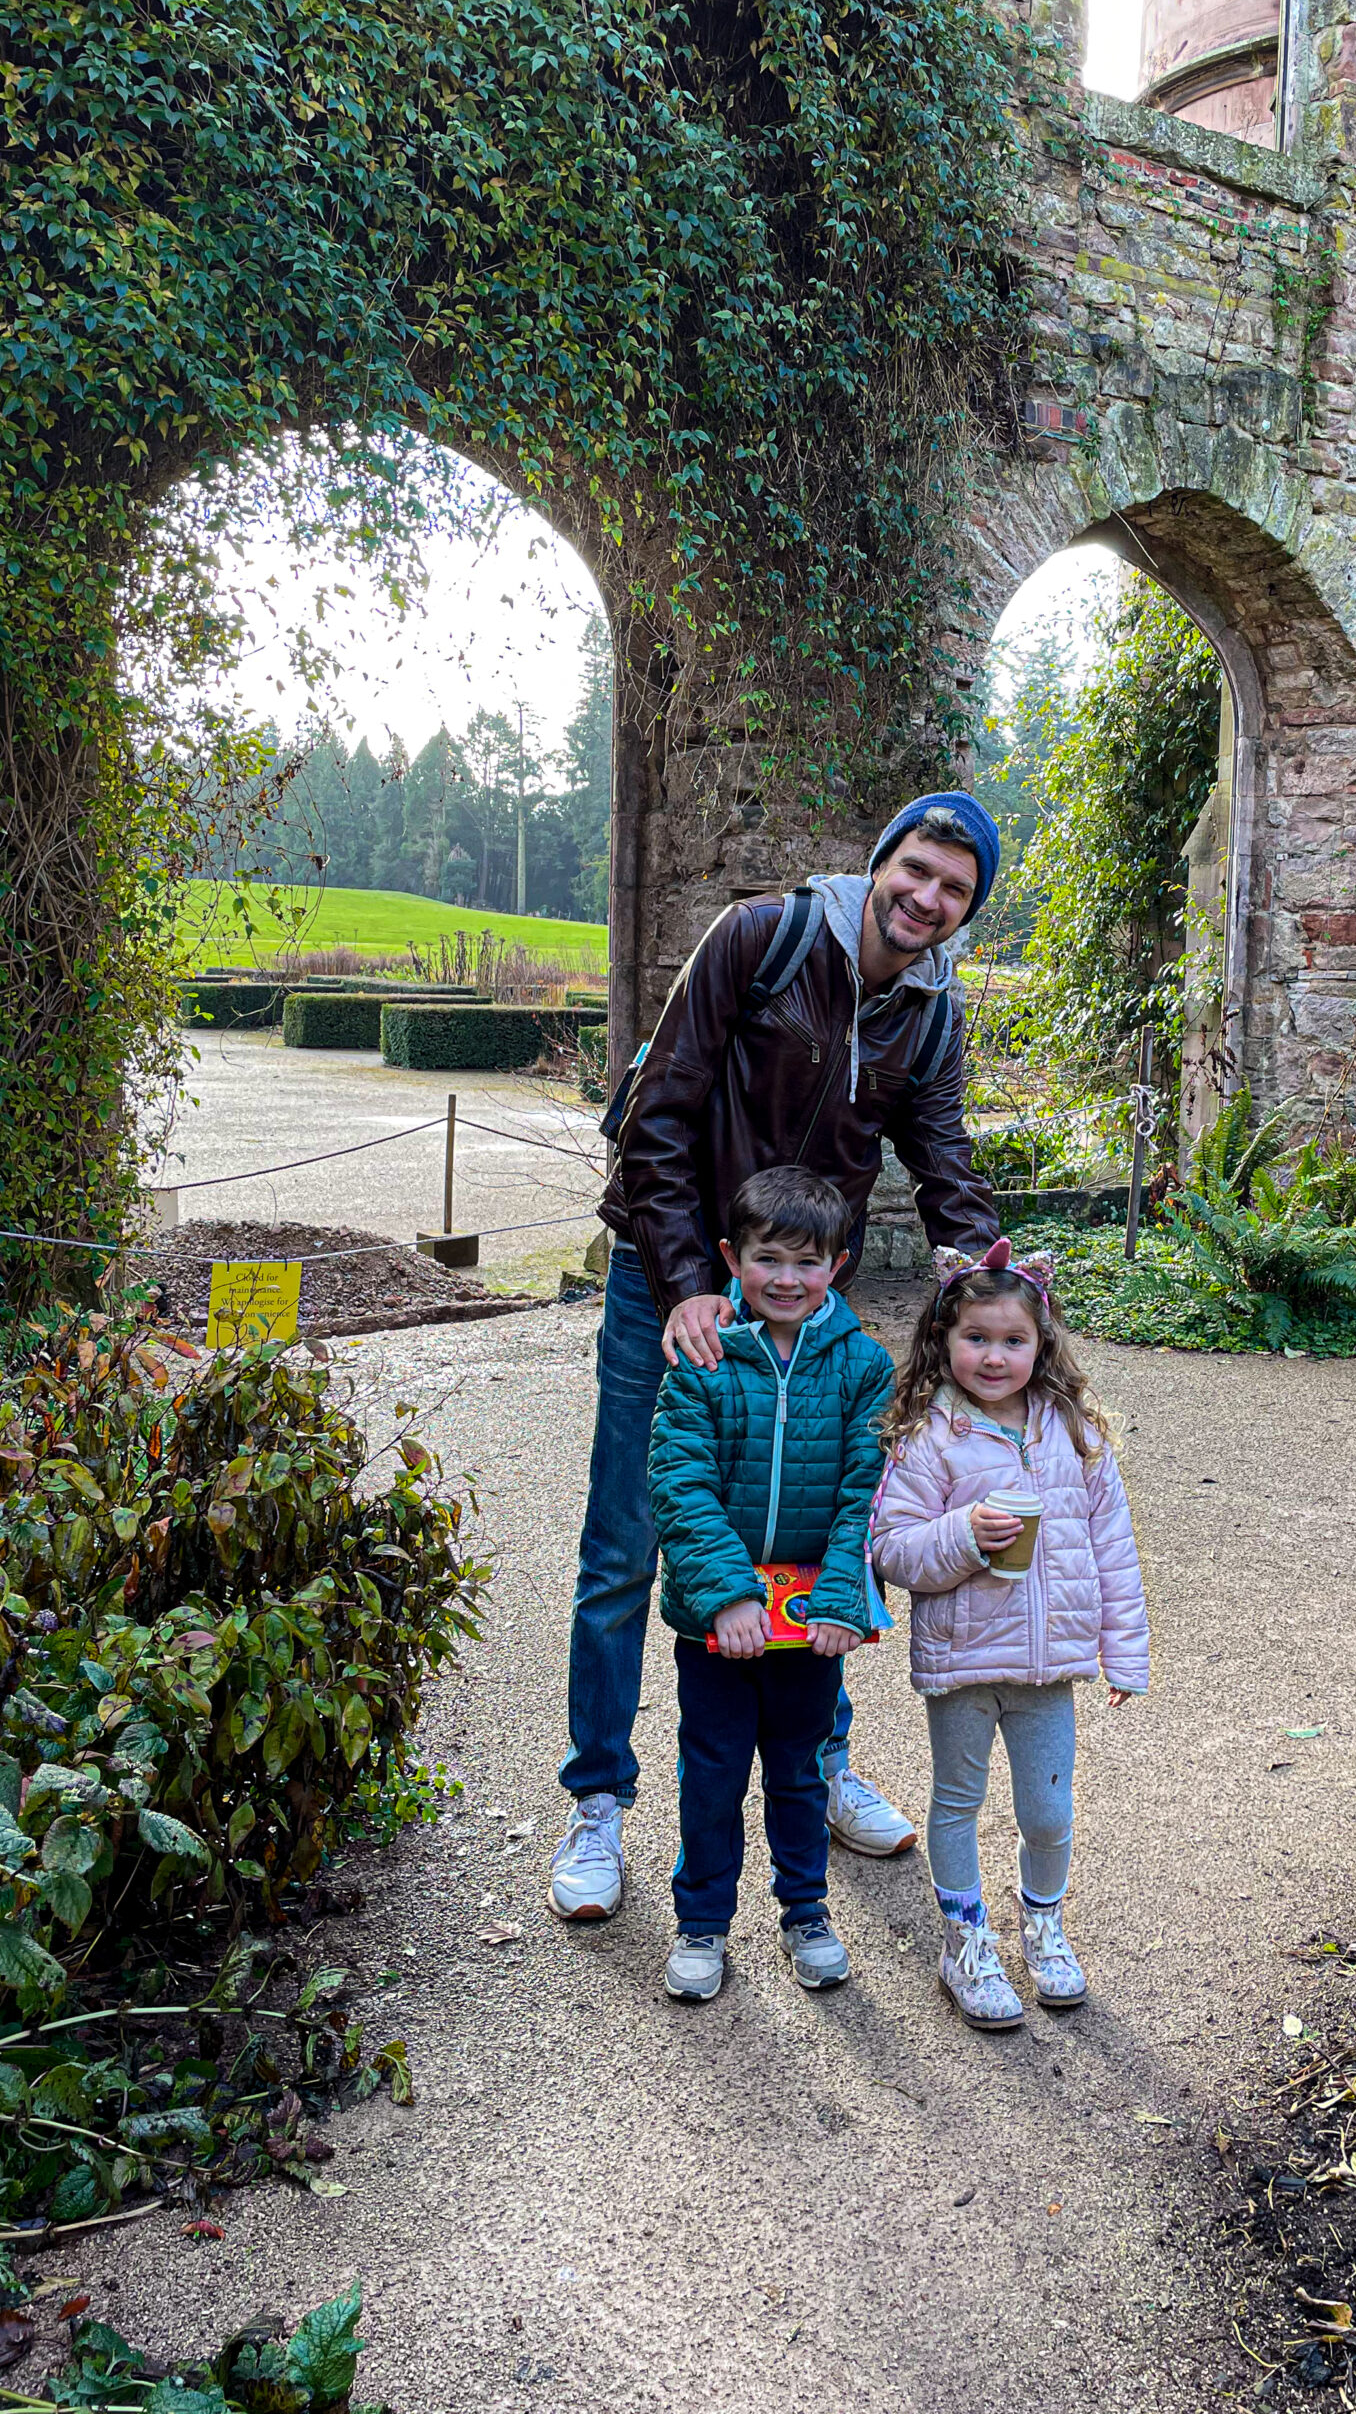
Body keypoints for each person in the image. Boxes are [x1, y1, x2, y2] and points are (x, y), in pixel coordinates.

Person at [549, 790, 1004, 1921]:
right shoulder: (761, 936)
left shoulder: (933, 1019)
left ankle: (821, 1767)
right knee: (627, 1544)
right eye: (916, 870)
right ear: (881, 862)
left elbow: (942, 1161)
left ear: (966, 909)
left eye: (954, 889)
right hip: (679, 1280)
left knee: (807, 1539)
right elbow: (661, 1116)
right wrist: (688, 1284)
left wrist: (991, 1278)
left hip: (803, 1306)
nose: (927, 899)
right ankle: (598, 1801)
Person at [867, 1237, 1150, 2029]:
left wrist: (1123, 1651)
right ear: (943, 1339)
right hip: (962, 1663)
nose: (994, 1357)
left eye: (1013, 1340)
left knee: (1048, 1812)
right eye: (976, 1338)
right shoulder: (930, 1436)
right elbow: (890, 1548)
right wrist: (962, 1535)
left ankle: (1044, 1927)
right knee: (957, 1802)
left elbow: (1113, 1549)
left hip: (1049, 1668)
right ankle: (964, 1940)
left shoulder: (1075, 1435)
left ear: (1042, 1342)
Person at [646, 1167, 893, 2002]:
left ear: (839, 1264)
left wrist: (840, 1599)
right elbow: (680, 1481)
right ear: (731, 1256)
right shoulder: (703, 1357)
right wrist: (726, 1593)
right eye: (767, 1260)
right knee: (711, 1774)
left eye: (807, 1263)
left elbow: (869, 1491)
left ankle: (806, 1913)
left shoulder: (862, 1367)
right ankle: (702, 1925)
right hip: (719, 1625)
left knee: (799, 1773)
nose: (786, 1280)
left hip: (811, 1627)